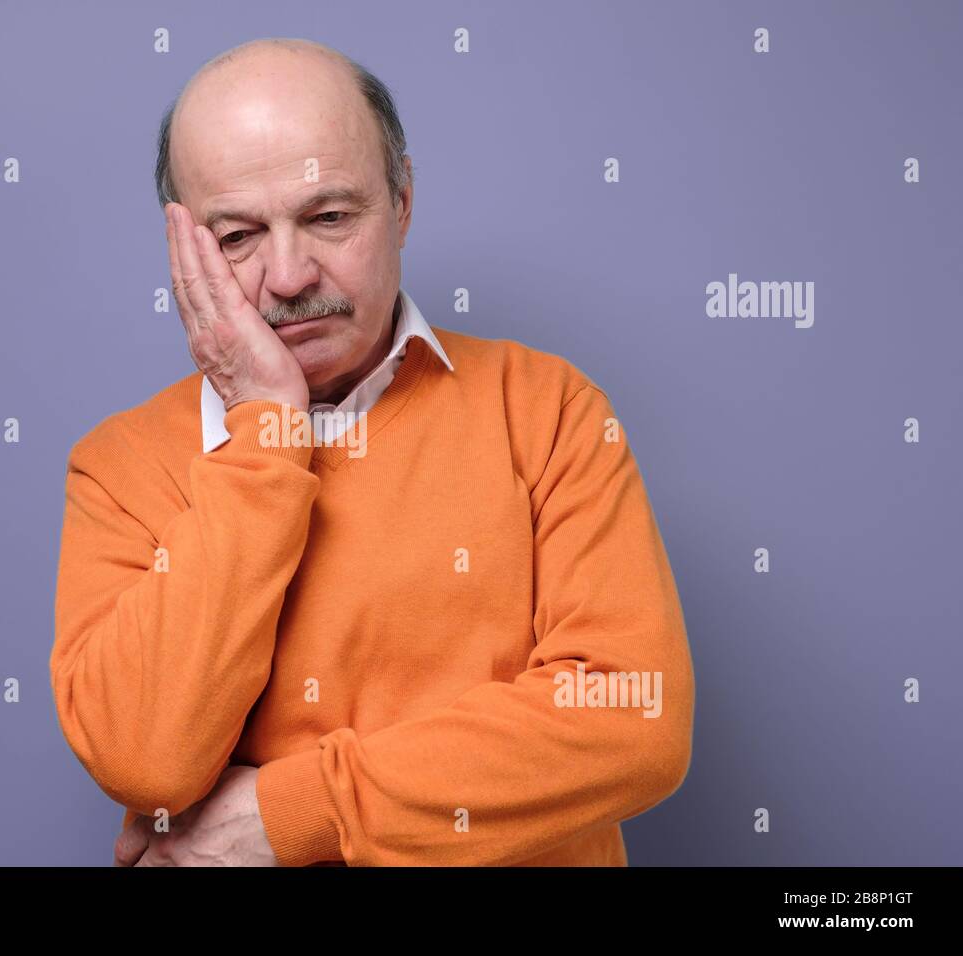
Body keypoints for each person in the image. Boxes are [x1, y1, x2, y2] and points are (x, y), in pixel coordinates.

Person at [50, 36, 694, 866]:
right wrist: (266, 428)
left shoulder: (546, 409)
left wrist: (297, 811)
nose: (287, 275)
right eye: (239, 236)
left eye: (328, 218)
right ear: (184, 252)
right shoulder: (119, 466)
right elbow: (145, 758)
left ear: (403, 201)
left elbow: (633, 722)